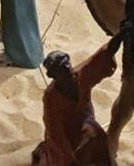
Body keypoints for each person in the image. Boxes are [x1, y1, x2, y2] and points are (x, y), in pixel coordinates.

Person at [31, 37, 122, 166]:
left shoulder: (80, 76)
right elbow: (54, 128)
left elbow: (98, 61)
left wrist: (117, 40)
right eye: (61, 68)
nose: (67, 68)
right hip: (65, 133)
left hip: (85, 123)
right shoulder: (51, 97)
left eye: (67, 64)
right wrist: (67, 156)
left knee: (96, 133)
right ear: (54, 75)